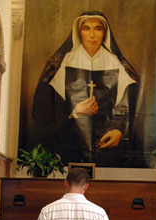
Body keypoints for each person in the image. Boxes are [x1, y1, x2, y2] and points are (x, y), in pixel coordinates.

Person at [31, 11, 140, 167]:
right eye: (86, 28)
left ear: (105, 32)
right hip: (70, 141)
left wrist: (119, 130)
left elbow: (127, 103)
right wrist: (75, 112)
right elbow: (46, 110)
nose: (92, 35)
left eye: (98, 28)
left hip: (106, 144)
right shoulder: (65, 62)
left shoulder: (115, 63)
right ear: (78, 32)